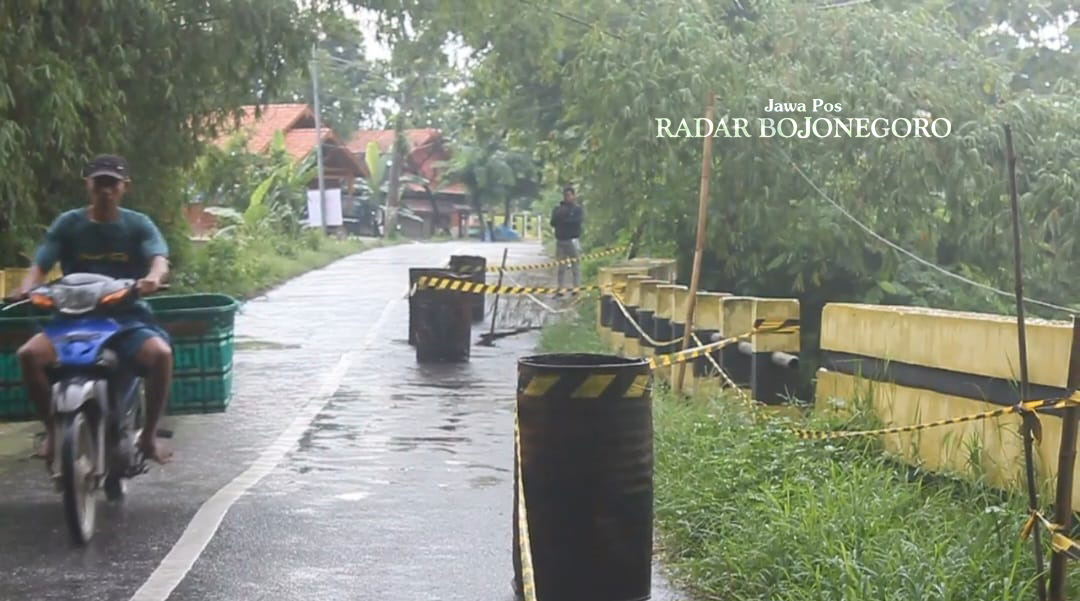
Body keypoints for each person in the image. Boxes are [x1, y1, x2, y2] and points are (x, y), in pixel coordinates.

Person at [6, 154, 174, 465]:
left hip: (124, 317)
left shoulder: (138, 224)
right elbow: (41, 262)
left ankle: (149, 436)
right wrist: (28, 286)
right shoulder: (69, 223)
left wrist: (153, 277)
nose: (106, 191)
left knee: (161, 355)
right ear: (89, 185)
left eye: (112, 184)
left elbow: (158, 257)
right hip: (71, 317)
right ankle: (54, 431)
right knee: (28, 355)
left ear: (125, 187)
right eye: (100, 184)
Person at [550, 185, 584, 291]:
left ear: (573, 196)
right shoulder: (558, 209)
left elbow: (575, 222)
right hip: (560, 240)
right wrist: (562, 219)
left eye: (569, 195)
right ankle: (560, 288)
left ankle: (576, 288)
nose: (567, 197)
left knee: (575, 266)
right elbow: (553, 222)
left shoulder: (577, 209)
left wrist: (563, 221)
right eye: (565, 195)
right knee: (561, 267)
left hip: (572, 240)